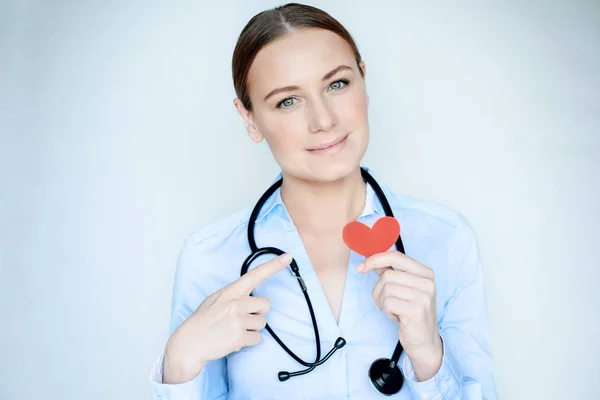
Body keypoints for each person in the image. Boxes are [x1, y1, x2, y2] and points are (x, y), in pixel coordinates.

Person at [148, 3, 497, 399]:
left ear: (364, 80)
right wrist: (179, 362)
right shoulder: (208, 258)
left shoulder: (446, 240)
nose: (324, 120)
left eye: (337, 84)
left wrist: (428, 354)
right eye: (287, 101)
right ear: (249, 119)